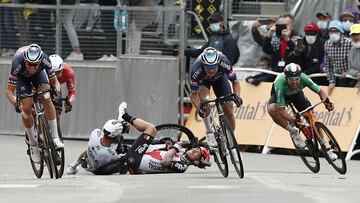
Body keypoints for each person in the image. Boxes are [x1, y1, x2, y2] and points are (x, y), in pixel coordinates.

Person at [66, 102, 211, 175]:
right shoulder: (181, 157)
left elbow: (165, 161)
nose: (195, 150)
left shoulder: (183, 166)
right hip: (137, 158)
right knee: (151, 134)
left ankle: (125, 117)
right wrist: (165, 147)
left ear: (197, 161)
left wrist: (175, 148)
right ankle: (124, 120)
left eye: (198, 152)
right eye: (197, 148)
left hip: (135, 160)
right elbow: (161, 155)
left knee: (151, 129)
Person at [6, 44, 64, 164]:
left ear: (40, 62)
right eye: (29, 64)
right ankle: (33, 144)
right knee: (26, 108)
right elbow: (9, 92)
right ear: (25, 60)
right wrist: (15, 104)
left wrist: (57, 91)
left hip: (39, 75)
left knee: (46, 98)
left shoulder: (45, 60)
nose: (32, 68)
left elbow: (55, 82)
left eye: (35, 65)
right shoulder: (17, 63)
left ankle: (55, 137)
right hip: (23, 78)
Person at [267, 63, 337, 160]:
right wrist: (293, 121)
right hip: (282, 95)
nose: (295, 82)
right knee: (272, 110)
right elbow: (280, 110)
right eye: (292, 79)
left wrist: (327, 102)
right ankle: (293, 132)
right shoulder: (280, 84)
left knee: (310, 117)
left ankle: (326, 148)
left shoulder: (304, 78)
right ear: (287, 78)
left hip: (296, 94)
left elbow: (320, 91)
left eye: (297, 79)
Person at [189, 47, 242, 149]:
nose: (211, 70)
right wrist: (199, 109)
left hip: (220, 80)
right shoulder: (196, 69)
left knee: (229, 110)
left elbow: (235, 82)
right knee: (205, 102)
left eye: (214, 67)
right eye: (208, 68)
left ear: (218, 63)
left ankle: (232, 136)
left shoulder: (224, 62)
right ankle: (209, 132)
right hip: (203, 81)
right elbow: (193, 95)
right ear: (203, 65)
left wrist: (237, 97)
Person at [324, 20, 354, 96]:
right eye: (331, 31)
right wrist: (331, 81)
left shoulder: (350, 43)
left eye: (336, 31)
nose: (333, 33)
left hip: (351, 77)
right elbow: (328, 65)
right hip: (336, 77)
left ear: (341, 32)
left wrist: (349, 72)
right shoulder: (327, 44)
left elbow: (356, 60)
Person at [48, 54, 76, 125]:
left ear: (62, 69)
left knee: (57, 113)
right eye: (53, 73)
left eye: (58, 72)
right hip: (46, 84)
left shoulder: (69, 73)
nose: (55, 76)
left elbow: (72, 91)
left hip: (55, 87)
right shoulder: (42, 71)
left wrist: (68, 101)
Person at [348, 23, 360, 95]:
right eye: (353, 35)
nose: (355, 37)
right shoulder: (352, 50)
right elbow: (350, 69)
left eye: (357, 34)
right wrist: (357, 73)